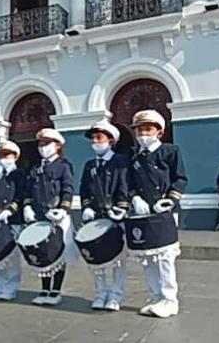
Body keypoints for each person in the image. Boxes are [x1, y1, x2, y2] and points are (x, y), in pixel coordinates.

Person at [128, 110, 188, 318]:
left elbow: (180, 178)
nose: (143, 133)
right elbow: (131, 184)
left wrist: (170, 200)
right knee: (148, 257)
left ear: (159, 132)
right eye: (139, 130)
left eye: (148, 129)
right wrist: (135, 197)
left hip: (165, 209)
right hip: (144, 212)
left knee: (164, 257)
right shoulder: (136, 158)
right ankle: (155, 297)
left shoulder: (170, 151)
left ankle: (170, 300)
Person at [79, 119, 130, 312]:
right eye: (93, 138)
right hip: (96, 216)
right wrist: (86, 206)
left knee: (118, 260)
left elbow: (125, 185)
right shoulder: (90, 165)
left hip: (116, 215)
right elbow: (84, 189)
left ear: (111, 141)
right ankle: (100, 293)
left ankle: (116, 295)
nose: (95, 142)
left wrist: (121, 206)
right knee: (96, 259)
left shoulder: (121, 161)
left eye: (99, 137)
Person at [24, 128, 78, 307]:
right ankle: (44, 288)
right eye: (40, 144)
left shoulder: (63, 165)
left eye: (46, 143)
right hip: (40, 215)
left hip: (57, 215)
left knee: (58, 253)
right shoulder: (36, 168)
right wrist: (27, 207)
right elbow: (29, 190)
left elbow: (68, 188)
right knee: (43, 253)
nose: (42, 147)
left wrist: (64, 208)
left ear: (57, 145)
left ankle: (56, 290)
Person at [0, 140, 27, 301]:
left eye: (6, 155)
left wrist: (10, 210)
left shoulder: (20, 175)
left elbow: (21, 195)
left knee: (12, 256)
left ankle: (11, 286)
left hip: (12, 220)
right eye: (0, 156)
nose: (3, 158)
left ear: (15, 156)